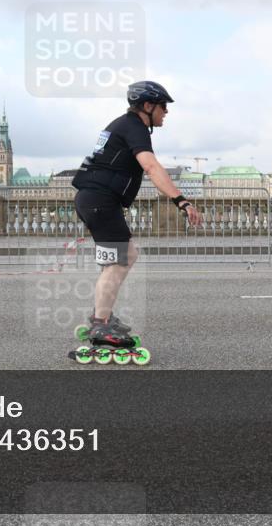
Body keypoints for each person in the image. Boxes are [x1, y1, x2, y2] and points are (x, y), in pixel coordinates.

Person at [71, 80, 203, 348]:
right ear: (147, 106)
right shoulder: (134, 127)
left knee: (124, 256)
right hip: (100, 201)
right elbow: (152, 167)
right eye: (163, 106)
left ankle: (102, 317)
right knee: (120, 259)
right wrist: (181, 201)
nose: (166, 112)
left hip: (96, 199)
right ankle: (100, 324)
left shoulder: (124, 124)